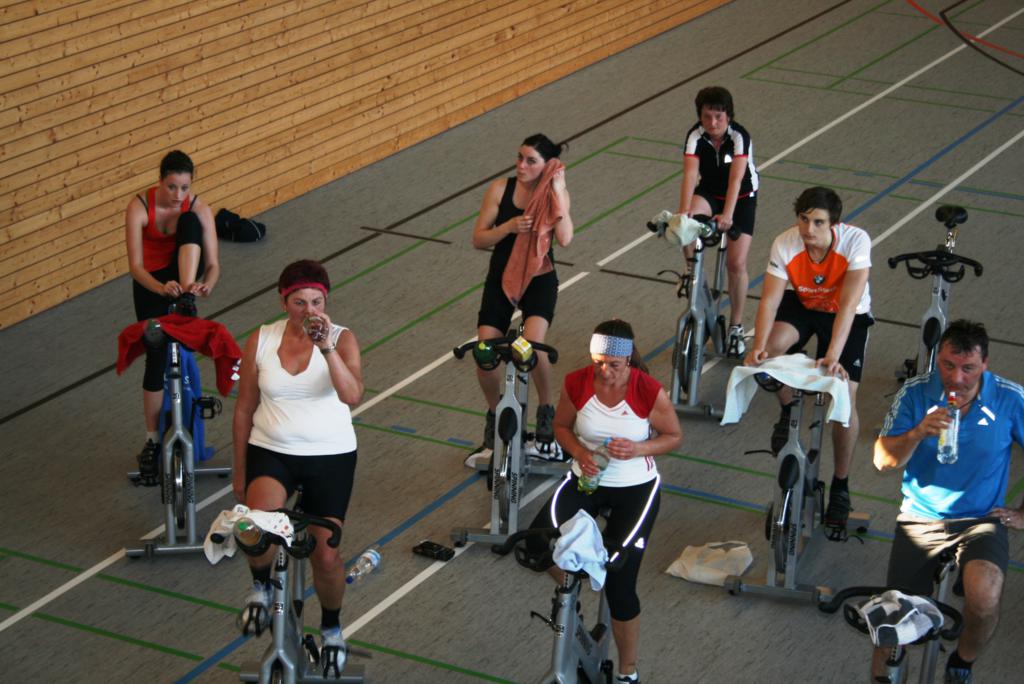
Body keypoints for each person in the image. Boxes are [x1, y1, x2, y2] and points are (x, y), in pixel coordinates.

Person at [524, 320, 682, 684]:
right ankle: (572, 594)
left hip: (635, 489)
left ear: (627, 360)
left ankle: (628, 671)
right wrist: (580, 452)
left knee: (619, 583)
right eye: (598, 363)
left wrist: (639, 448)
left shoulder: (648, 390)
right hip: (587, 479)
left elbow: (674, 436)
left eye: (613, 365)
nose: (605, 371)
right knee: (536, 543)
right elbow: (561, 427)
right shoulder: (577, 382)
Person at [874, 320, 1024, 684]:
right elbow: (882, 461)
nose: (956, 378)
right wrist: (915, 434)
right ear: (937, 358)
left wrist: (1023, 514)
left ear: (985, 364)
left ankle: (963, 660)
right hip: (920, 517)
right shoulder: (916, 393)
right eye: (948, 365)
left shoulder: (1010, 398)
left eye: (968, 368)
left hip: (981, 520)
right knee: (893, 625)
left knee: (984, 601)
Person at [232, 259, 364, 672]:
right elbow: (245, 407)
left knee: (325, 556)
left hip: (330, 454)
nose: (309, 311)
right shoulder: (261, 339)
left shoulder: (342, 339)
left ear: (326, 302)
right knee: (255, 530)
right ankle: (260, 587)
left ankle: (331, 628)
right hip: (272, 450)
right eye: (299, 302)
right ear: (283, 302)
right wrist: (239, 470)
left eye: (316, 302)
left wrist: (326, 348)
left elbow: (352, 395)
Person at [743, 186, 873, 539]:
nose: (808, 229)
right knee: (770, 355)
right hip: (802, 305)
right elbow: (769, 302)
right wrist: (758, 347)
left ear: (834, 225)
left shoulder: (856, 242)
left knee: (844, 398)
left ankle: (841, 485)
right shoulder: (785, 243)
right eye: (803, 219)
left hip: (845, 315)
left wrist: (832, 356)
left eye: (817, 222)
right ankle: (788, 411)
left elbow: (848, 305)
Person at [470, 133, 574, 457]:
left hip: (539, 279)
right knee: (484, 352)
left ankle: (545, 411)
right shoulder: (500, 189)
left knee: (533, 347)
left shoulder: (554, 194)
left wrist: (559, 192)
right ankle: (495, 414)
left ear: (547, 166)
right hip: (501, 278)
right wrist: (509, 227)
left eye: (531, 161)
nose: (521, 165)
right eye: (519, 157)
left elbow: (565, 238)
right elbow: (478, 238)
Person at [125, 150, 220, 478]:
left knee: (190, 221)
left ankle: (186, 299)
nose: (179, 195)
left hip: (185, 277)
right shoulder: (139, 207)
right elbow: (135, 266)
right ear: (159, 181)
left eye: (185, 188)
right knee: (155, 357)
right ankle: (152, 440)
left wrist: (204, 285)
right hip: (152, 282)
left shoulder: (198, 208)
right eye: (171, 187)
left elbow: (214, 264)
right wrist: (160, 288)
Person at [677, 86, 759, 357]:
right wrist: (683, 212)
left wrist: (728, 215)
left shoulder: (739, 137)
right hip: (710, 193)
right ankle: (691, 272)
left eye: (718, 117)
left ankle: (736, 326)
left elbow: (736, 179)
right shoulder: (695, 136)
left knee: (736, 263)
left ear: (728, 116)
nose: (712, 123)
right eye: (707, 116)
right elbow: (690, 175)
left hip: (741, 198)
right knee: (685, 227)